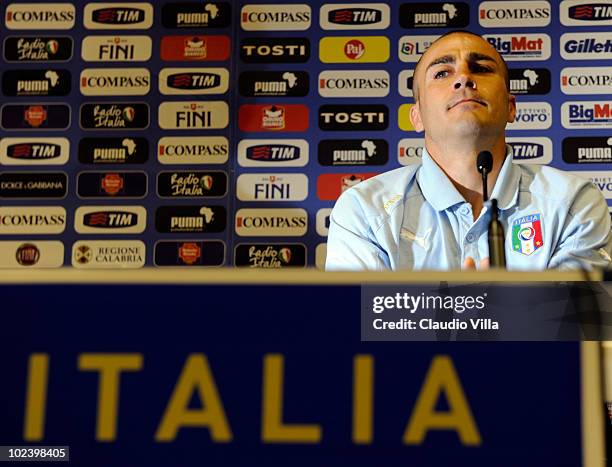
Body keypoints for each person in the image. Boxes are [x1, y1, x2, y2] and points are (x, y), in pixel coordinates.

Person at [326, 31, 612, 271]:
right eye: (442, 72)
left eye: (482, 69)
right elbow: (357, 330)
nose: (463, 78)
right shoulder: (364, 210)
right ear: (417, 116)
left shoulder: (573, 201)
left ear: (511, 107)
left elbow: (578, 327)